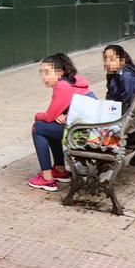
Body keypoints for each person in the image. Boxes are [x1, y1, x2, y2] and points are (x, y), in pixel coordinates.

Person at [29, 53, 94, 192]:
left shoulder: (62, 86)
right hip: (94, 132)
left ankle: (47, 179)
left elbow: (48, 116)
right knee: (51, 128)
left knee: (39, 128)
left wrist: (37, 115)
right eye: (42, 73)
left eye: (47, 72)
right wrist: (65, 114)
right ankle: (59, 170)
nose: (44, 77)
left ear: (60, 72)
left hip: (84, 136)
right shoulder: (76, 81)